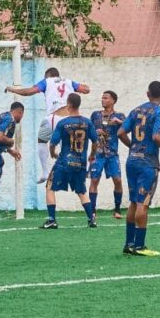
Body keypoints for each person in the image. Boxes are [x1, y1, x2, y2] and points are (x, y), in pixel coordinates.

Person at [117, 81, 160, 257]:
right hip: (148, 162)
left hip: (132, 160)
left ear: (148, 94)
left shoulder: (136, 110)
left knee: (133, 202)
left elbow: (120, 133)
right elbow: (156, 137)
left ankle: (129, 244)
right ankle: (140, 246)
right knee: (143, 203)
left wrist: (133, 147)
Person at [5, 67, 90, 184]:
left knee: (42, 141)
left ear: (48, 76)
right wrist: (83, 86)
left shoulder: (47, 81)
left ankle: (45, 172)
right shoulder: (69, 82)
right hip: (68, 118)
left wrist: (13, 89)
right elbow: (86, 90)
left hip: (53, 118)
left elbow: (28, 92)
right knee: (73, 145)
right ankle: (84, 170)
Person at [41, 93, 98, 229]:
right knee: (81, 191)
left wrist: (53, 153)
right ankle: (91, 219)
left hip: (64, 162)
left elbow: (53, 143)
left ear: (69, 105)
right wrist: (92, 155)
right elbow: (95, 141)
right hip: (81, 162)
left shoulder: (63, 123)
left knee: (49, 187)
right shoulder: (87, 122)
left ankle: (52, 220)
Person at [88, 91, 126, 219]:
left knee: (118, 180)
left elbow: (128, 127)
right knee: (94, 180)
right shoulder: (95, 115)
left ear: (113, 101)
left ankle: (117, 208)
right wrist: (95, 131)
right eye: (102, 97)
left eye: (106, 98)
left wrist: (119, 122)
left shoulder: (120, 115)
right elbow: (88, 130)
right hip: (97, 154)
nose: (103, 100)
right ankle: (92, 211)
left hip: (112, 154)